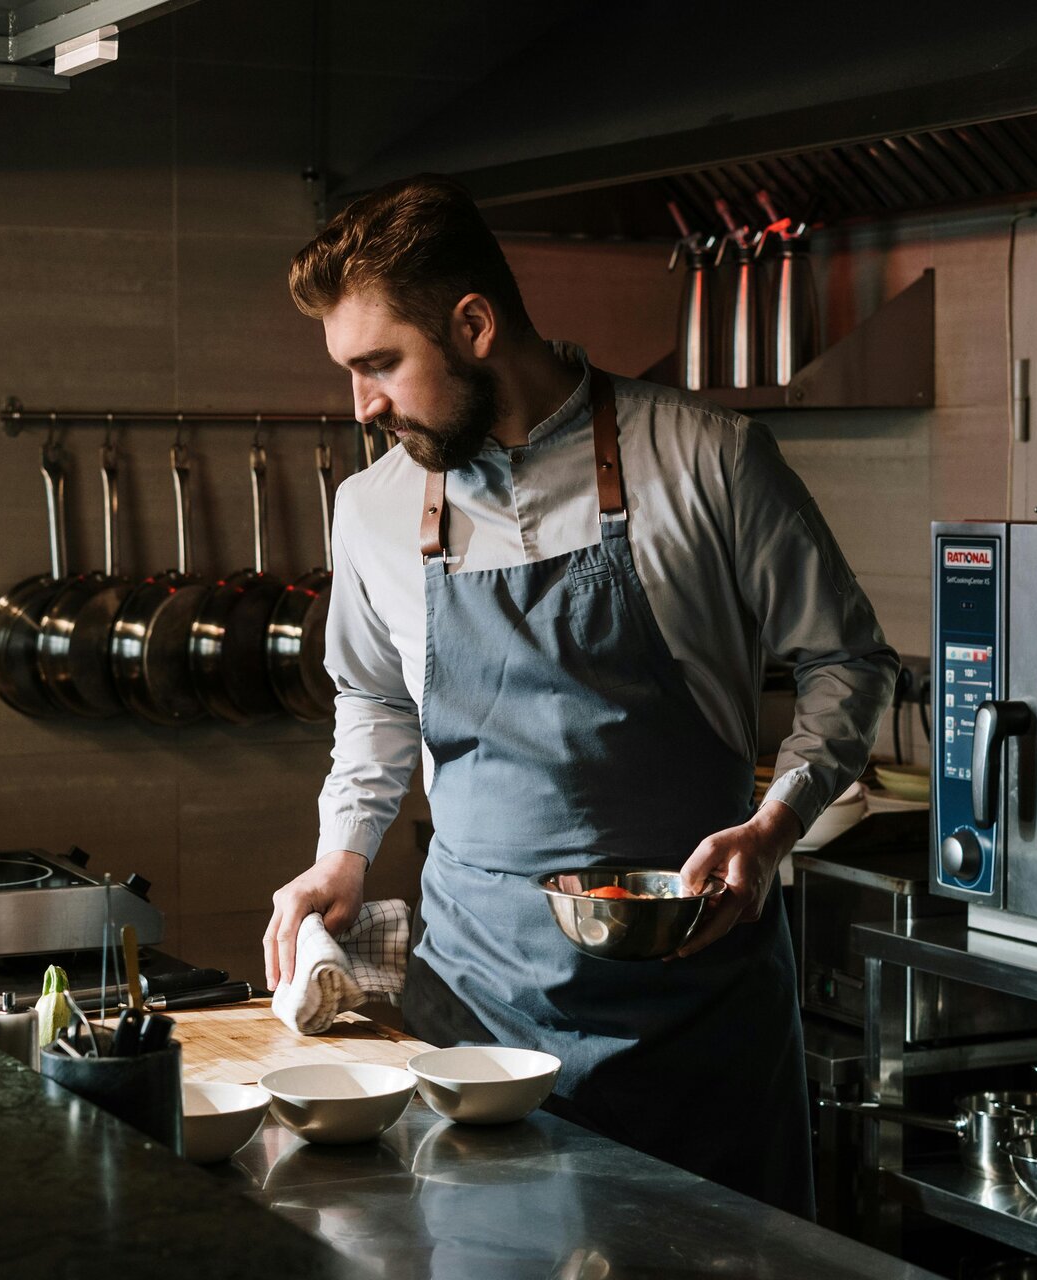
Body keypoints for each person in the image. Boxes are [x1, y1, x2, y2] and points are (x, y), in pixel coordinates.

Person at [262, 174, 897, 1218]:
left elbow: (846, 659)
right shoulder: (370, 509)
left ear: (472, 324)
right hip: (474, 1015)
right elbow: (374, 696)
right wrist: (345, 847)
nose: (362, 405)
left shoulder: (707, 458)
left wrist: (777, 823)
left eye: (380, 364)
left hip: (695, 1016)